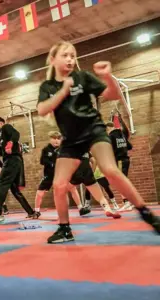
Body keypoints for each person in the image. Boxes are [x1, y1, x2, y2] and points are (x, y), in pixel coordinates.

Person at [37, 41, 160, 244]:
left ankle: (147, 214)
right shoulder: (48, 86)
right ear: (52, 59)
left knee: (110, 169)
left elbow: (112, 94)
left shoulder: (82, 77)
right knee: (59, 185)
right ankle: (64, 229)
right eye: (65, 55)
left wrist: (107, 77)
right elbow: (42, 109)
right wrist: (63, 91)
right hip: (70, 140)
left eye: (73, 56)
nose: (70, 59)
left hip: (93, 130)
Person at [0, 117, 36, 223]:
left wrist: (11, 142)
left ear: (1, 123)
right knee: (15, 190)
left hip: (12, 160)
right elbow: (0, 152)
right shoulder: (0, 136)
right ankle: (31, 212)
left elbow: (16, 134)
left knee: (0, 184)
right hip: (11, 161)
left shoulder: (6, 127)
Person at [69, 153, 121, 219]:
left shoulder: (68, 149)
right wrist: (92, 172)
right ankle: (107, 209)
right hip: (87, 173)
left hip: (74, 174)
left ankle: (77, 209)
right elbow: (93, 160)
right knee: (100, 197)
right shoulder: (85, 149)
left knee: (65, 191)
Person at [106, 121, 133, 211]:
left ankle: (126, 202)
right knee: (123, 181)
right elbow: (130, 146)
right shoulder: (122, 134)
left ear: (108, 129)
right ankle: (128, 202)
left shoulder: (111, 136)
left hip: (120, 160)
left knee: (120, 182)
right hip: (126, 160)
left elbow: (109, 150)